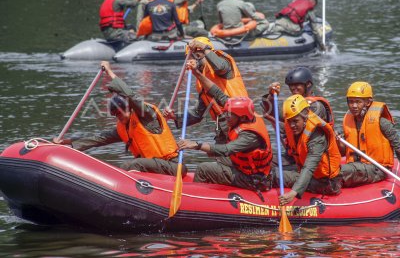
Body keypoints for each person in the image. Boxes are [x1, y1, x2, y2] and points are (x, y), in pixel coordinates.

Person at [54, 61, 186, 177]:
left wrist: (109, 72)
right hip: (154, 167)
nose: (119, 116)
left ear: (129, 108)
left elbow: (130, 94)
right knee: (133, 163)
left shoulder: (145, 115)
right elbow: (97, 139)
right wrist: (65, 143)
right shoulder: (122, 129)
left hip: (173, 165)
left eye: (120, 112)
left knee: (130, 165)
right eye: (115, 114)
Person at [178, 60, 273, 195]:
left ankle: (197, 198)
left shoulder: (249, 135)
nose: (226, 117)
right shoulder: (243, 114)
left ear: (241, 117)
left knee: (204, 168)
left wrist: (195, 145)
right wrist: (197, 73)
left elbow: (226, 149)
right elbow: (216, 92)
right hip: (244, 169)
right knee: (215, 157)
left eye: (230, 115)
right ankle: (216, 187)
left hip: (253, 179)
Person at [163, 37, 248, 144]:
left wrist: (203, 48)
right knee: (221, 155)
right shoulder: (201, 80)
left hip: (239, 117)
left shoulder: (223, 63)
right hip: (222, 124)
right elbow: (198, 114)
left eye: (196, 56)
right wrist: (174, 116)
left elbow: (220, 67)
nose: (193, 61)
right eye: (190, 58)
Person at [278, 94, 342, 205]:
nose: (292, 125)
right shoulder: (293, 122)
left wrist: (293, 192)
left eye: (295, 121)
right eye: (290, 121)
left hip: (326, 183)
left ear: (305, 116)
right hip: (313, 176)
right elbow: (273, 111)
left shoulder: (317, 136)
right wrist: (270, 96)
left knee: (277, 175)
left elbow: (309, 167)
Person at [338, 82, 400, 187]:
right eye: (351, 102)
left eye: (358, 102)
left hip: (377, 168)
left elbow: (398, 147)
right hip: (356, 166)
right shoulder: (348, 122)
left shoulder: (382, 122)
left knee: (341, 171)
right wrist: (337, 141)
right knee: (329, 169)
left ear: (368, 102)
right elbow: (343, 153)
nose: (354, 106)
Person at [261, 66, 334, 126]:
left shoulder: (317, 106)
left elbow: (300, 126)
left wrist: (273, 120)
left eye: (297, 85)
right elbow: (273, 112)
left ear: (308, 84)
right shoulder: (295, 103)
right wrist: (272, 95)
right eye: (291, 85)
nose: (293, 88)